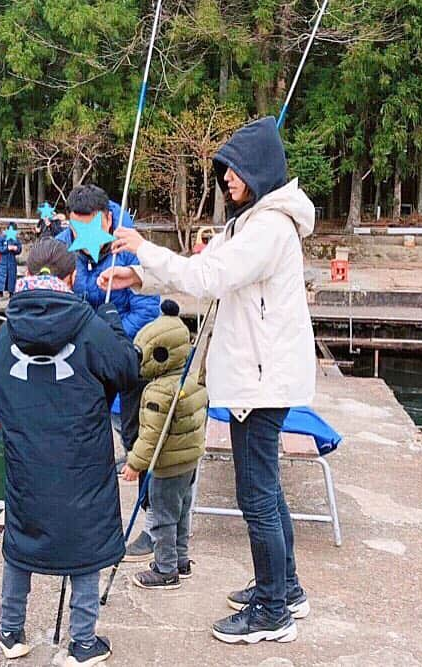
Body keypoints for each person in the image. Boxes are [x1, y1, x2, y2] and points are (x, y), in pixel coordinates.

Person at [99, 116, 317, 644]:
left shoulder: (268, 227)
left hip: (262, 380)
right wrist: (141, 276)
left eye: (235, 171)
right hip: (261, 376)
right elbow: (207, 264)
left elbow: (209, 278)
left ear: (260, 171)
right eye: (223, 172)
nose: (227, 180)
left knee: (257, 495)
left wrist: (140, 248)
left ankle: (271, 613)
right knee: (266, 489)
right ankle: (285, 588)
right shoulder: (250, 222)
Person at [0, 237, 139, 667]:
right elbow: (128, 370)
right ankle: (82, 643)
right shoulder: (91, 324)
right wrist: (110, 318)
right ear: (72, 278)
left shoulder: (7, 327)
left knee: (22, 536)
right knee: (85, 541)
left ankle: (10, 630)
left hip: (25, 458)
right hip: (81, 458)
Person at [56, 184, 160, 561]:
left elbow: (147, 314)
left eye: (86, 229)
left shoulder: (131, 249)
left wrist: (105, 340)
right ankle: (83, 517)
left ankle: (155, 526)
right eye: (73, 230)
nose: (78, 238)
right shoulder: (67, 241)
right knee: (82, 434)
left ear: (107, 218)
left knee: (138, 440)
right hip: (87, 361)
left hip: (132, 359)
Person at [120, 299, 207, 590]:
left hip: (167, 466)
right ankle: (181, 561)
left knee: (163, 519)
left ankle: (165, 569)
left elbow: (150, 437)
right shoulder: (192, 380)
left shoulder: (158, 392)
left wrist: (134, 464)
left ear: (159, 355)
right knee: (181, 513)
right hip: (189, 462)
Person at [0, 223, 21, 298]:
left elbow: (19, 249)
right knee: (1, 277)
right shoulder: (1, 237)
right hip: (2, 260)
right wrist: (7, 248)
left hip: (11, 261)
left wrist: (15, 249)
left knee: (11, 277)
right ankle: (0, 293)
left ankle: (11, 293)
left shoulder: (16, 238)